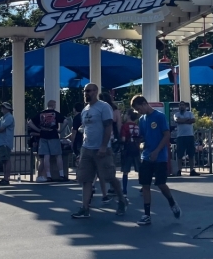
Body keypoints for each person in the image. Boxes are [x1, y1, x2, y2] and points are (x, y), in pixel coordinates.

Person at [71, 83, 126, 219]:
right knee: (86, 179)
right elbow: (86, 129)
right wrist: (81, 151)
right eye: (84, 91)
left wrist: (103, 146)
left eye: (88, 91)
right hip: (87, 148)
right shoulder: (85, 110)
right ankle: (85, 208)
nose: (86, 93)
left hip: (102, 149)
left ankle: (121, 200)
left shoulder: (104, 107)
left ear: (95, 91)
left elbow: (108, 127)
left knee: (109, 177)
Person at [131, 96, 181, 225]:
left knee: (160, 184)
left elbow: (166, 135)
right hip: (146, 156)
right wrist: (137, 140)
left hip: (160, 157)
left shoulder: (159, 116)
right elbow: (143, 136)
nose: (138, 111)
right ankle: (147, 215)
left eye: (138, 108)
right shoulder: (142, 120)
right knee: (145, 184)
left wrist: (157, 151)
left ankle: (172, 202)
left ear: (144, 103)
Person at [32, 99, 66, 182]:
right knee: (58, 155)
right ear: (53, 106)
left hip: (43, 136)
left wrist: (38, 130)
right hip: (53, 135)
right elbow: (65, 121)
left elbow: (29, 122)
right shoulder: (55, 114)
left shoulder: (41, 114)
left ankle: (48, 176)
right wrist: (60, 131)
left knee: (46, 156)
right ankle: (61, 175)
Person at [173, 101, 198, 176]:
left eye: (183, 105)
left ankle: (192, 170)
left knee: (191, 153)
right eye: (180, 105)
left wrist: (182, 120)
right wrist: (187, 120)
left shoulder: (190, 113)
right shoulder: (176, 114)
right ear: (179, 107)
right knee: (180, 154)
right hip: (180, 136)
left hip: (190, 135)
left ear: (185, 107)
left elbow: (193, 120)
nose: (182, 106)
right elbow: (177, 120)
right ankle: (179, 170)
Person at [119, 110, 141, 195]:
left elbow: (124, 139)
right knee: (139, 169)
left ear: (128, 115)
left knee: (125, 171)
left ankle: (124, 189)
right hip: (136, 149)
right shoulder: (137, 126)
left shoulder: (125, 126)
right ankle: (144, 186)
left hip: (127, 149)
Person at [0, 102, 16, 185]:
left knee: (6, 160)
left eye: (4, 107)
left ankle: (6, 179)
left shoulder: (9, 117)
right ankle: (5, 178)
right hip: (1, 142)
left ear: (8, 109)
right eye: (2, 107)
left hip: (5, 142)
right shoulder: (2, 118)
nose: (2, 108)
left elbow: (0, 129)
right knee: (4, 160)